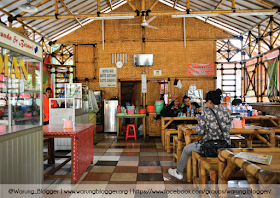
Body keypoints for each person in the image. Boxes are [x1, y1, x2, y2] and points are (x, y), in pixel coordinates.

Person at [168, 89, 231, 180]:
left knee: (186, 149)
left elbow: (200, 132)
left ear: (209, 101)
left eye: (206, 102)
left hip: (209, 147)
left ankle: (179, 172)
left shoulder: (206, 112)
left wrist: (200, 122)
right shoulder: (227, 113)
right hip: (225, 147)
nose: (206, 104)